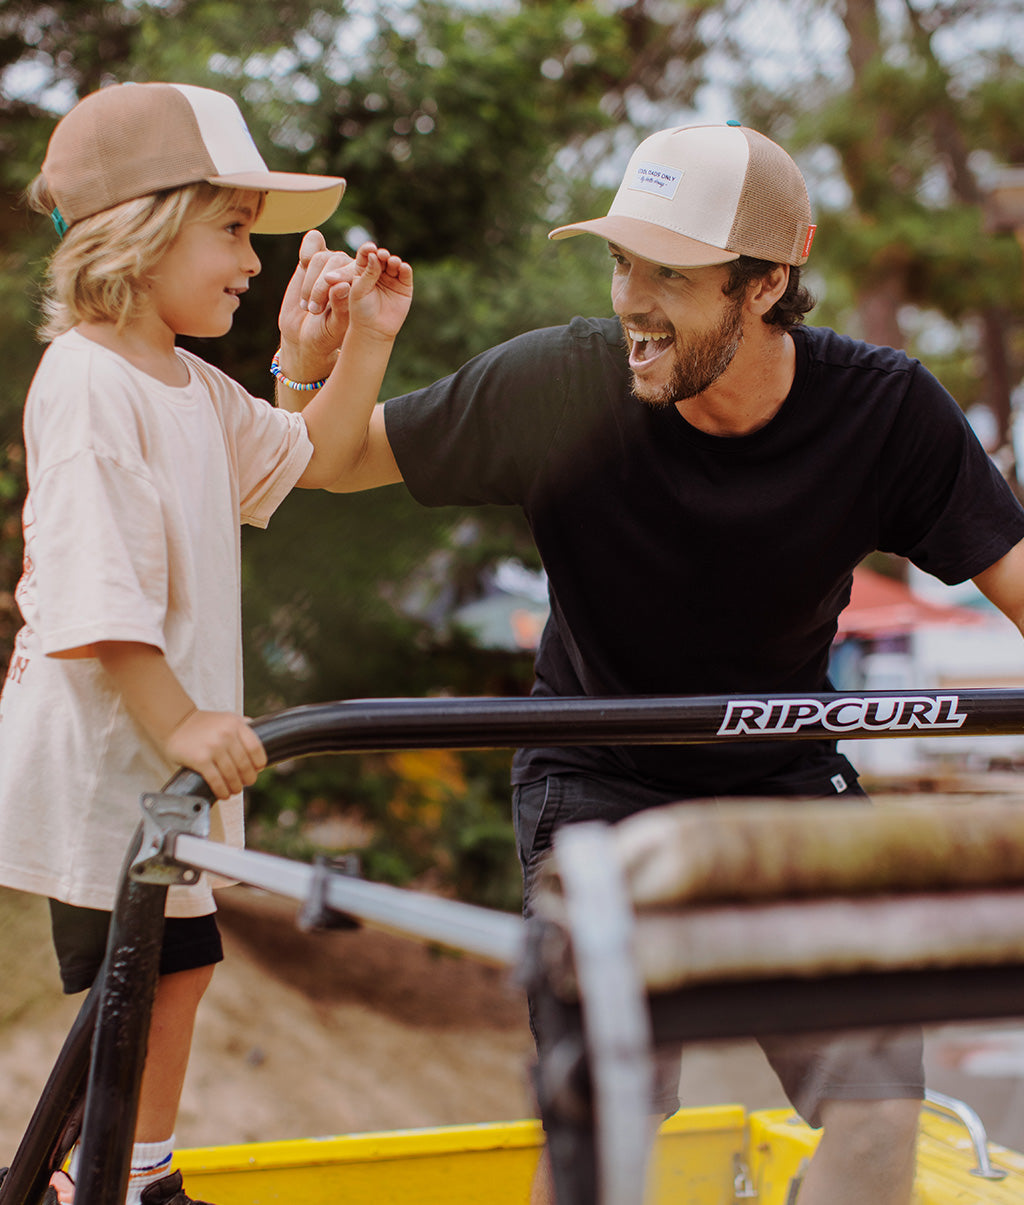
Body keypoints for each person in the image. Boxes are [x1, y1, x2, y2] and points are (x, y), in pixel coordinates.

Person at [281, 121, 1024, 1205]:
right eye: (622, 259)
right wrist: (325, 356)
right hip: (596, 772)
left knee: (874, 1118)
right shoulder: (560, 382)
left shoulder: (882, 409)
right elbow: (326, 461)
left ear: (768, 281)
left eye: (669, 273)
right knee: (615, 1113)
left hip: (782, 774)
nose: (632, 296)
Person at [0, 81, 412, 1205]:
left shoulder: (187, 384)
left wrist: (356, 343)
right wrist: (182, 719)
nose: (251, 258)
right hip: (105, 758)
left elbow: (310, 455)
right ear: (140, 228)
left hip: (157, 763)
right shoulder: (88, 382)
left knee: (175, 965)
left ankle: (121, 1169)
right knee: (134, 974)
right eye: (231, 228)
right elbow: (97, 594)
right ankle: (100, 1176)